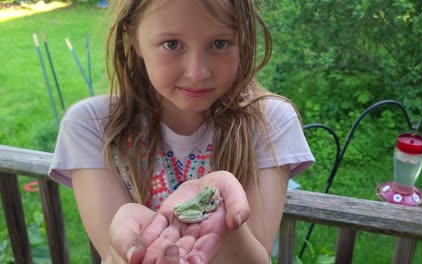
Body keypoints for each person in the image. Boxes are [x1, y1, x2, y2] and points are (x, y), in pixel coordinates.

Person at [48, 0, 314, 263]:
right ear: (133, 38)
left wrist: (221, 216)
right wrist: (127, 242)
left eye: (220, 43)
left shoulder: (270, 122)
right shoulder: (90, 126)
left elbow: (257, 259)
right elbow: (113, 255)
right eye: (172, 44)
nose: (197, 73)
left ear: (242, 37)